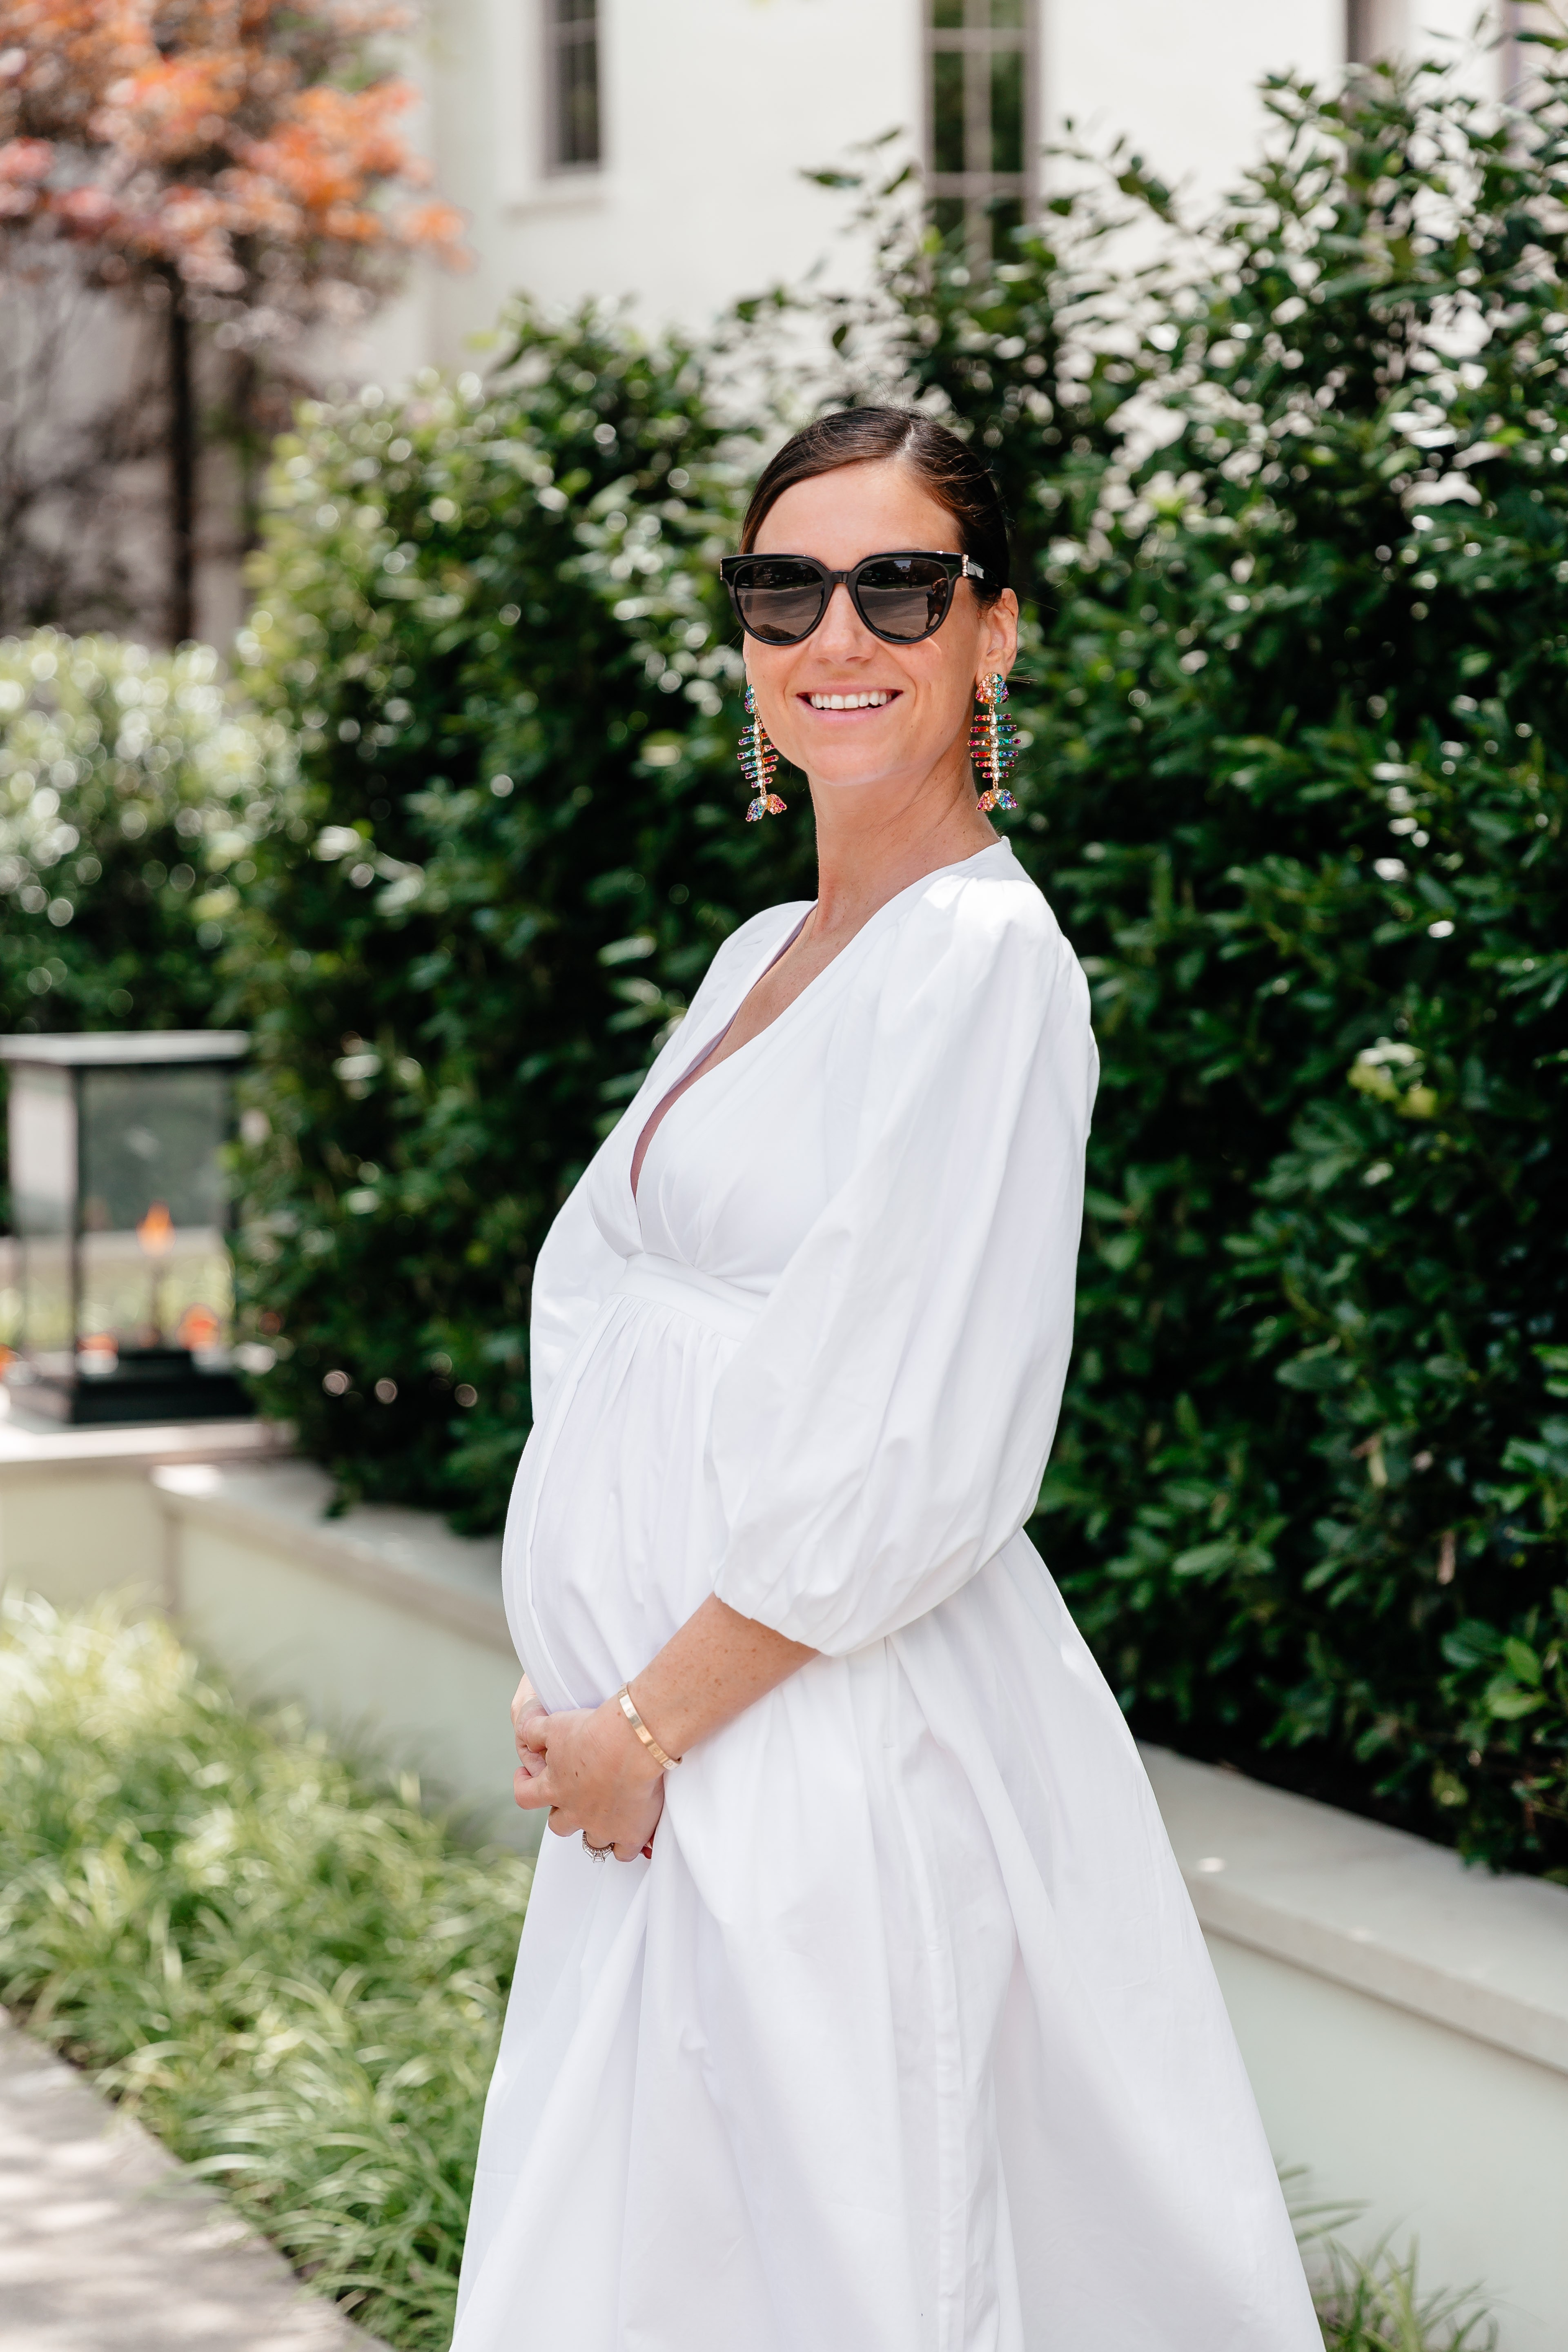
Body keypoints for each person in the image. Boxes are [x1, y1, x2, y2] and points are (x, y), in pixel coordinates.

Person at [450, 408, 1320, 2351]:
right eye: (784, 588)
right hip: (658, 1766)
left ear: (992, 633)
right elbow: (613, 1327)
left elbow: (915, 1444)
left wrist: (644, 1725)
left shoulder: (986, 970)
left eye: (899, 586)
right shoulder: (769, 946)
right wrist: (577, 1685)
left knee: (848, 2265)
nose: (835, 632)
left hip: (809, 1748)